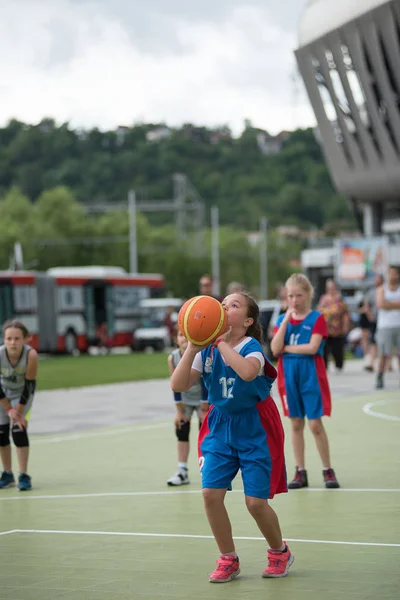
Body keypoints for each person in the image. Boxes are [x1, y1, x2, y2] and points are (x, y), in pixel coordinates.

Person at [171, 291, 293, 583]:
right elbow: (178, 383)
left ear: (248, 320)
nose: (225, 307)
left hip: (255, 427)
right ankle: (228, 558)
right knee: (210, 494)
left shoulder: (251, 347)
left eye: (234, 305)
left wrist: (220, 343)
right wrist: (192, 346)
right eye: (223, 303)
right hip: (219, 425)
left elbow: (248, 372)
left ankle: (280, 551)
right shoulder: (206, 350)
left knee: (255, 503)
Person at [271, 273, 340, 490]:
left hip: (310, 375)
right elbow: (274, 349)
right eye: (290, 296)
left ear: (308, 295)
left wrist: (287, 349)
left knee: (315, 424)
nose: (293, 300)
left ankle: (328, 469)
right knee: (296, 423)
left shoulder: (317, 318)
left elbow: (312, 348)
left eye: (298, 295)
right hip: (288, 375)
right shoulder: (283, 320)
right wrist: (285, 321)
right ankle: (300, 470)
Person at [167, 327, 208, 486]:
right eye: (180, 335)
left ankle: (208, 468)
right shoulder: (173, 358)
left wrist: (205, 407)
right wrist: (179, 411)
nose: (184, 339)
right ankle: (182, 470)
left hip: (203, 400)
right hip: (185, 400)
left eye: (187, 335)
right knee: (181, 427)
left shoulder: (200, 355)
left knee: (205, 431)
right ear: (176, 340)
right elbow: (174, 385)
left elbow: (205, 382)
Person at [0, 320, 38, 491]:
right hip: (3, 395)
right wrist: (8, 409)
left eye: (17, 338)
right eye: (9, 339)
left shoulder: (31, 355)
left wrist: (19, 412)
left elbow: (30, 385)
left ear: (25, 339)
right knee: (1, 434)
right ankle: (7, 474)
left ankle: (23, 475)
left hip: (23, 395)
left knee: (18, 431)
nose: (13, 342)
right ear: (4, 339)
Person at [375, 266, 400, 389]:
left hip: (398, 326)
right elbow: (380, 304)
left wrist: (388, 304)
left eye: (395, 274)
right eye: (390, 274)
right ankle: (380, 377)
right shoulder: (382, 289)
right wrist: (396, 304)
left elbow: (385, 304)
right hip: (385, 327)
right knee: (384, 354)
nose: (393, 276)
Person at [317, 279, 350, 372]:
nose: (331, 289)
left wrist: (345, 326)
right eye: (329, 287)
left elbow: (345, 313)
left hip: (337, 327)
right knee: (325, 347)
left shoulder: (339, 298)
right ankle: (324, 366)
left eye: (332, 287)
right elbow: (319, 310)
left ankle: (339, 365)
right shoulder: (323, 298)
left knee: (337, 347)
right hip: (325, 327)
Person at [362, 273, 384, 372]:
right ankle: (371, 363)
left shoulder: (387, 289)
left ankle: (388, 364)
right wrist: (370, 316)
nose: (376, 280)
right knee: (374, 341)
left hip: (387, 321)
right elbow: (366, 305)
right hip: (376, 321)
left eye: (377, 278)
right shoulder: (371, 292)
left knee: (386, 343)